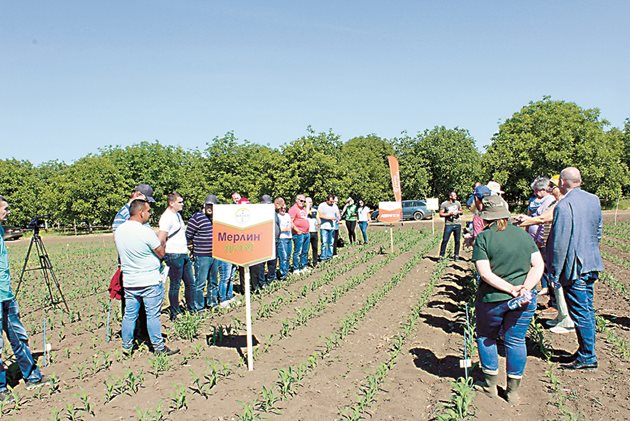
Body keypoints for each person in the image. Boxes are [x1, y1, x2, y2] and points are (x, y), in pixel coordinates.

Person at [472, 195, 544, 404]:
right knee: (515, 340)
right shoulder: (523, 236)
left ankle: (490, 386)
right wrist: (525, 288)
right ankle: (513, 392)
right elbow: (538, 265)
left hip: (492, 299)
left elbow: (485, 273)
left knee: (487, 337)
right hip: (524, 300)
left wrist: (510, 289)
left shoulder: (484, 238)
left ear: (486, 216)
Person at [547, 167, 604, 370]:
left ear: (563, 182)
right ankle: (586, 351)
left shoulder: (564, 205)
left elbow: (559, 244)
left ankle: (587, 356)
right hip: (591, 262)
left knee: (581, 312)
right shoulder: (593, 200)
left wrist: (554, 272)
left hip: (575, 267)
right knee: (587, 308)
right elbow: (598, 231)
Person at [0, 195, 50, 401]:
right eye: (5, 208)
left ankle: (32, 376)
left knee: (18, 337)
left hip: (7, 295)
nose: (7, 212)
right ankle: (1, 388)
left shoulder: (1, 230)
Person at [114, 199, 178, 356]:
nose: (149, 214)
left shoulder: (119, 231)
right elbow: (161, 253)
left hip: (129, 281)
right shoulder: (145, 231)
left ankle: (127, 346)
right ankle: (158, 347)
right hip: (149, 280)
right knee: (152, 315)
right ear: (141, 212)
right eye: (148, 211)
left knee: (129, 315)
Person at [515, 175, 575, 333]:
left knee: (557, 279)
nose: (551, 190)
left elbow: (543, 219)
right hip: (552, 244)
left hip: (555, 246)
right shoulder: (557, 202)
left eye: (552, 187)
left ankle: (566, 318)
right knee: (555, 279)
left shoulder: (562, 203)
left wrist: (522, 222)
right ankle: (562, 316)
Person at [111, 184, 155, 343]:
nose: (147, 203)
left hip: (144, 265)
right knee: (131, 305)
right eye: (144, 199)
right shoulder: (124, 213)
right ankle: (133, 335)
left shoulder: (141, 213)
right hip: (132, 265)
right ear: (136, 195)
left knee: (143, 304)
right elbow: (118, 237)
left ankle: (142, 333)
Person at [158, 192, 194, 320]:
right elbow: (161, 238)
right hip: (173, 255)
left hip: (183, 253)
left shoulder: (177, 215)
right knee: (175, 285)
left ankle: (192, 309)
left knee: (190, 283)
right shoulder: (166, 217)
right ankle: (175, 312)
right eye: (180, 202)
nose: (182, 204)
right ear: (171, 203)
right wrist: (162, 255)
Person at [186, 194, 220, 310]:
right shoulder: (197, 217)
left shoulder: (216, 219)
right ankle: (198, 307)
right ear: (204, 205)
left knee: (213, 281)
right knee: (200, 283)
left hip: (215, 254)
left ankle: (212, 303)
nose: (210, 208)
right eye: (208, 205)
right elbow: (188, 235)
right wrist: (192, 248)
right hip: (202, 256)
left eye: (213, 206)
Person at [289, 194, 310, 274]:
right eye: (301, 201)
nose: (303, 202)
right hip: (298, 234)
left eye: (304, 201)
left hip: (306, 233)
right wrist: (297, 230)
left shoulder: (303, 209)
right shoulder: (293, 209)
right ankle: (296, 268)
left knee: (305, 251)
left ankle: (303, 266)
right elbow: (290, 221)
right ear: (296, 200)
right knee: (298, 252)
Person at [438, 191, 463, 261]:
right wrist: (449, 214)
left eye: (456, 195)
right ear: (450, 196)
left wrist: (458, 212)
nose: (456, 196)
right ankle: (441, 256)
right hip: (449, 224)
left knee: (457, 241)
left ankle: (456, 255)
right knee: (445, 240)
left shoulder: (458, 203)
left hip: (457, 223)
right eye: (454, 195)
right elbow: (441, 214)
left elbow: (461, 211)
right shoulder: (444, 204)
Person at [317, 194, 339, 262]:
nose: (332, 203)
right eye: (331, 201)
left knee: (331, 243)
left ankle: (329, 256)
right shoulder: (322, 205)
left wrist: (338, 218)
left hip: (332, 227)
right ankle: (323, 257)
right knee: (324, 242)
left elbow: (338, 213)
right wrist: (329, 218)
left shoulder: (334, 206)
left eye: (333, 201)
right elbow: (319, 215)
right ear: (327, 200)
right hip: (324, 227)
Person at [276, 198, 292, 279]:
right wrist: (284, 229)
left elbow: (290, 224)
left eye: (285, 208)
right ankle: (283, 274)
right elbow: (276, 229)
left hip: (289, 237)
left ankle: (286, 271)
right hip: (282, 238)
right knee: (283, 257)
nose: (283, 210)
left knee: (288, 256)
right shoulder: (277, 216)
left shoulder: (288, 215)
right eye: (282, 208)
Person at [305, 197, 319, 266]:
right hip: (307, 232)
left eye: (311, 202)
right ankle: (305, 263)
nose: (310, 203)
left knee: (315, 248)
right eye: (309, 202)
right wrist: (307, 207)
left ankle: (315, 262)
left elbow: (318, 219)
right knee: (306, 249)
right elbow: (305, 217)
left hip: (315, 231)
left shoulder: (315, 210)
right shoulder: (304, 211)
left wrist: (318, 223)